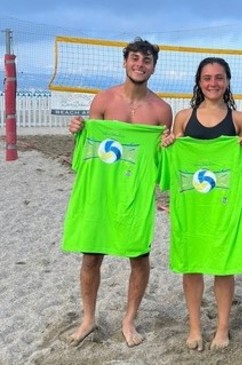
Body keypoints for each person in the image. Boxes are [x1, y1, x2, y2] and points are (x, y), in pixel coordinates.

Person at [64, 37, 173, 347]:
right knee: (91, 257)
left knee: (139, 258)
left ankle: (129, 320)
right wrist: (77, 132)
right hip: (100, 190)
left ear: (153, 66)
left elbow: (163, 159)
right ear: (125, 62)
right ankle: (88, 318)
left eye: (147, 60)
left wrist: (166, 146)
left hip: (135, 194)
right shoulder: (103, 101)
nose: (140, 65)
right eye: (135, 59)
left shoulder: (161, 110)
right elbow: (86, 152)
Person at [161, 57, 242, 351]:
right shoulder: (184, 118)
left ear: (227, 82)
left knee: (223, 267)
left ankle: (222, 328)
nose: (213, 83)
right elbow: (174, 161)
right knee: (193, 265)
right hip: (192, 207)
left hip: (224, 207)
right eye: (207, 78)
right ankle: (195, 328)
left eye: (219, 77)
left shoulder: (240, 121)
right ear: (199, 82)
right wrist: (168, 145)